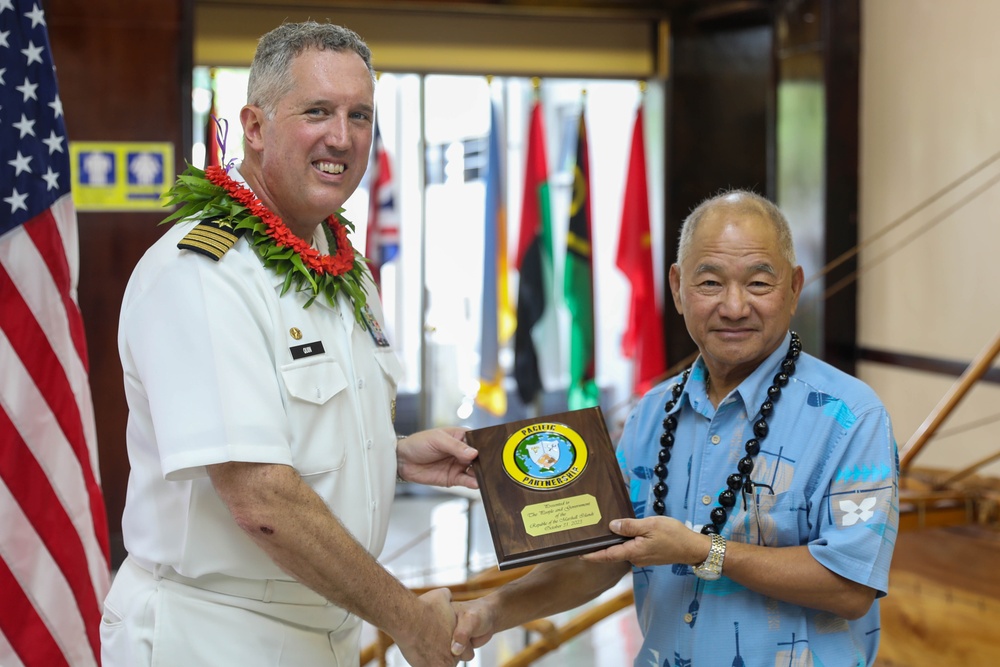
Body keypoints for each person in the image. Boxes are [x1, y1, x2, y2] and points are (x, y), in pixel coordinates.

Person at [100, 21, 477, 667]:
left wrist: (387, 454)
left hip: (323, 625)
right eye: (318, 112)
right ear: (253, 126)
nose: (342, 136)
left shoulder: (344, 265)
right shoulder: (203, 271)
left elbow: (298, 427)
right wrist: (407, 619)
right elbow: (262, 497)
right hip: (213, 633)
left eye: (360, 115)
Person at [451, 190, 899, 666]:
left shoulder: (852, 416)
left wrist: (705, 551)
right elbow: (603, 559)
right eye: (709, 282)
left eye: (758, 284)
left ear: (794, 287)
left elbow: (852, 586)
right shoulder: (652, 413)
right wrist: (492, 610)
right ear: (677, 287)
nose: (733, 306)